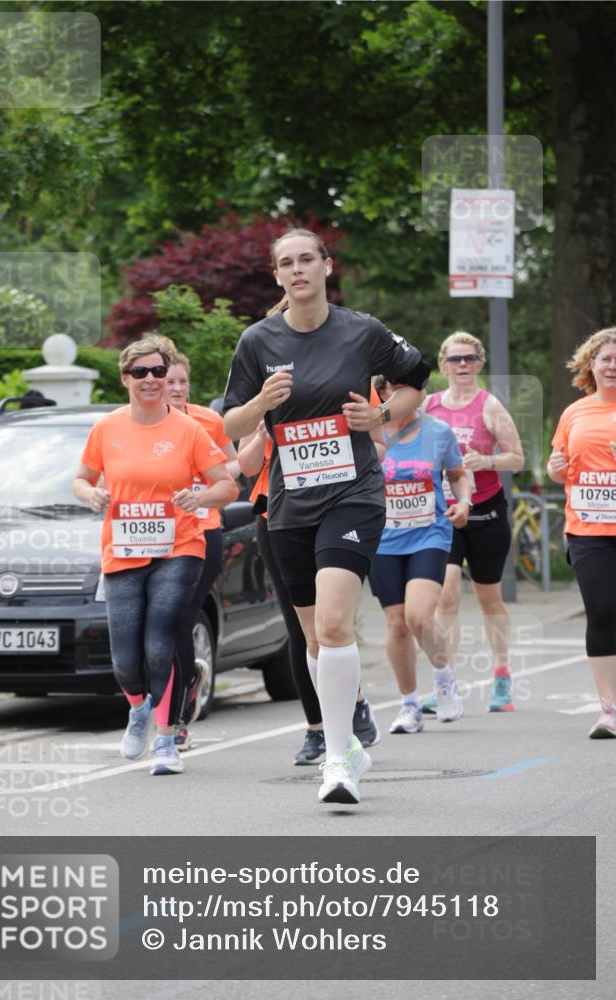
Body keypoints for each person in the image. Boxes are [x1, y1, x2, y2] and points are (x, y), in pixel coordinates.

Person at [223, 228, 430, 804]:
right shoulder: (257, 341)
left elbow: (418, 380)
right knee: (316, 639)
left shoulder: (361, 332)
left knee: (336, 624)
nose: (297, 270)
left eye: (306, 260)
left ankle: (337, 760)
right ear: (277, 275)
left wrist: (382, 413)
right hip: (290, 505)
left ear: (325, 266)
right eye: (285, 263)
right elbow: (229, 425)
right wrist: (262, 404)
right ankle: (346, 744)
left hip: (354, 494)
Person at [73, 334, 238, 775]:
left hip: (179, 548)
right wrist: (92, 495)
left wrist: (199, 496)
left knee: (161, 637)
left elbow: (228, 485)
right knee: (125, 659)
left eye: (159, 372)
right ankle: (138, 708)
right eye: (141, 372)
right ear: (125, 377)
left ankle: (166, 741)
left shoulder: (189, 430)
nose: (151, 380)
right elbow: (81, 478)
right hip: (124, 551)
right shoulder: (107, 428)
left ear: (169, 377)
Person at [238, 418, 381, 765]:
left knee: (332, 620)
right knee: (301, 628)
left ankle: (353, 703)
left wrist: (337, 453)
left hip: (337, 508)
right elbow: (246, 465)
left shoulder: (348, 369)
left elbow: (378, 444)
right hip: (279, 513)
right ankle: (318, 728)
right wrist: (261, 432)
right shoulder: (262, 381)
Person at [422, 331, 524, 714]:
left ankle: (501, 675)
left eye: (469, 359)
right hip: (446, 515)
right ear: (442, 364)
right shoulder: (429, 406)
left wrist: (488, 462)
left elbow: (517, 456)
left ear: (480, 364)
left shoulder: (490, 406)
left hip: (486, 513)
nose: (461, 365)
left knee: (488, 598)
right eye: (454, 359)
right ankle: (445, 680)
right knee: (445, 594)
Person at [369, 379, 470, 730]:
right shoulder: (368, 432)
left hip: (430, 533)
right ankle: (409, 704)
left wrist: (465, 502)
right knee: (396, 625)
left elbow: (458, 475)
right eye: (392, 388)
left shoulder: (438, 431)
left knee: (418, 616)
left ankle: (444, 678)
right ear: (381, 393)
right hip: (383, 539)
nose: (399, 395)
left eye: (406, 388)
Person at [164, 349, 241, 751]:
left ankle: (176, 720)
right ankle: (175, 687)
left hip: (203, 531)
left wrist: (204, 481)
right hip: (155, 536)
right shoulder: (142, 426)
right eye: (169, 381)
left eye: (182, 381)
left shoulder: (207, 421)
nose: (176, 388)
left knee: (179, 621)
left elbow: (234, 466)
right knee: (157, 625)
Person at [547, 327, 616, 739]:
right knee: (603, 611)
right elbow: (559, 462)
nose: (614, 366)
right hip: (588, 528)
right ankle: (609, 708)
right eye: (606, 358)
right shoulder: (575, 413)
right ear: (592, 364)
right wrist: (556, 469)